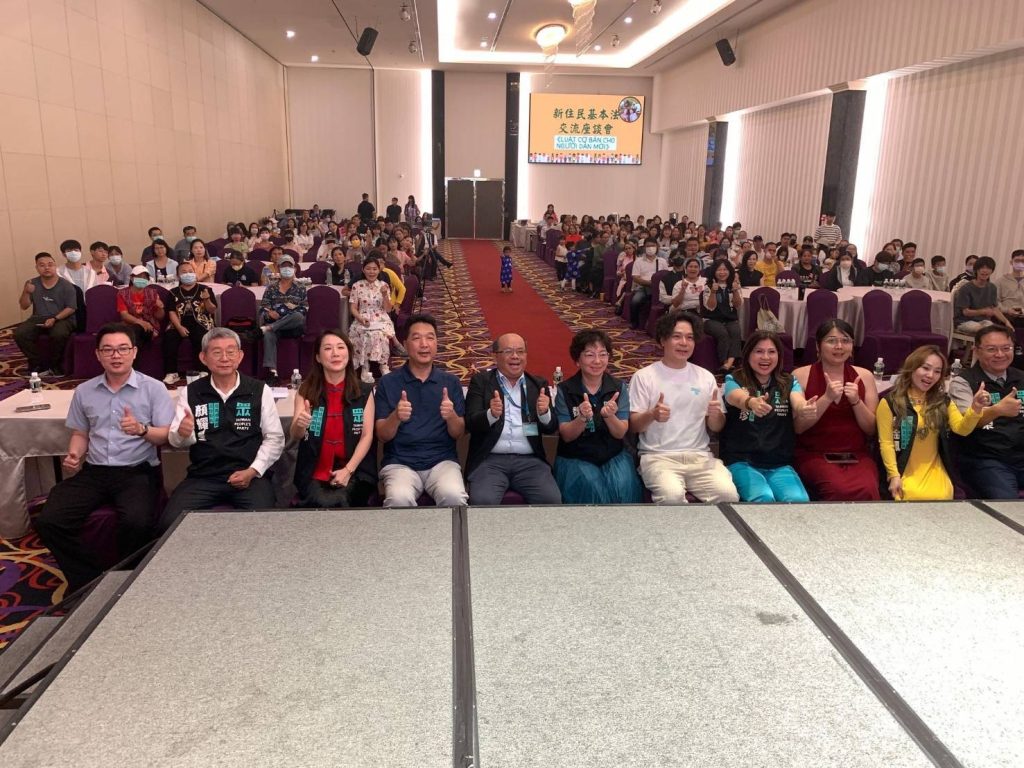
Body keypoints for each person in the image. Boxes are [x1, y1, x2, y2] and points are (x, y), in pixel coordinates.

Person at [34, 323, 173, 592]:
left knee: (137, 522)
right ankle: (91, 581)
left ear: (134, 352)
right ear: (98, 355)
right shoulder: (84, 391)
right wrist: (75, 453)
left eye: (122, 349)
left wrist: (141, 430)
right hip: (94, 471)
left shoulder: (154, 389)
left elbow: (166, 436)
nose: (115, 355)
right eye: (108, 350)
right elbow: (81, 433)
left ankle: (126, 581)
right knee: (49, 520)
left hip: (136, 471)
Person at [159, 327, 285, 532]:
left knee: (264, 524)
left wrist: (253, 471)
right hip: (204, 476)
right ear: (203, 358)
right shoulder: (191, 391)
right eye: (216, 352)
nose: (224, 358)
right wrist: (182, 432)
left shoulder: (259, 390)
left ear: (240, 356)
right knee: (170, 523)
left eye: (230, 351)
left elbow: (274, 438)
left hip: (249, 474)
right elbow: (176, 441)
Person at [628, 311, 739, 504]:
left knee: (728, 495)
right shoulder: (644, 377)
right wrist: (652, 415)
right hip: (658, 457)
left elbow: (717, 426)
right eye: (677, 337)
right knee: (671, 497)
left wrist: (715, 415)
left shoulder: (705, 377)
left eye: (690, 338)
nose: (684, 343)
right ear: (663, 340)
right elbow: (634, 426)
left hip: (699, 456)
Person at [374, 314, 468, 507]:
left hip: (442, 461)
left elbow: (458, 433)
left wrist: (451, 416)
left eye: (430, 338)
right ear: (405, 344)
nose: (424, 344)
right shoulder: (388, 383)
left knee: (454, 496)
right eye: (416, 338)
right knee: (398, 499)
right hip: (400, 462)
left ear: (436, 343)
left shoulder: (451, 382)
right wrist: (396, 416)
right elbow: (382, 435)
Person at [877, 345, 986, 501]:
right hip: (903, 470)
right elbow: (886, 443)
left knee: (941, 495)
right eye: (925, 368)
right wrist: (893, 475)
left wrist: (975, 408)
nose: (930, 375)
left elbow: (962, 429)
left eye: (937, 371)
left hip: (935, 470)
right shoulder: (890, 402)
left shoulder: (942, 402)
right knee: (910, 495)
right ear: (912, 367)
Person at [464, 333, 561, 505]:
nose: (515, 356)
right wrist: (491, 414)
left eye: (520, 351)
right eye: (508, 351)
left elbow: (551, 427)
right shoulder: (481, 382)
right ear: (495, 356)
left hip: (530, 461)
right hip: (490, 460)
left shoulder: (538, 384)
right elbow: (470, 422)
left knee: (551, 499)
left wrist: (544, 413)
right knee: (483, 501)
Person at [792, 319, 880, 500]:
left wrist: (856, 401)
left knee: (869, 488)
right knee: (837, 489)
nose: (839, 346)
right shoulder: (801, 375)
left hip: (857, 454)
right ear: (818, 346)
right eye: (831, 340)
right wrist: (827, 398)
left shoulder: (865, 376)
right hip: (814, 453)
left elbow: (871, 429)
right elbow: (798, 427)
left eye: (845, 340)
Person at [720, 332, 812, 502]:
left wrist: (803, 408)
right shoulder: (734, 378)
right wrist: (751, 402)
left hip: (779, 463)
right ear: (748, 354)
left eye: (771, 352)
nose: (765, 357)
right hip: (742, 461)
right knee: (763, 498)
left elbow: (798, 399)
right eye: (759, 351)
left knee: (798, 500)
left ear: (779, 355)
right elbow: (735, 397)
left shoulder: (789, 381)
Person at [553, 330, 641, 504]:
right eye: (589, 355)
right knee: (592, 489)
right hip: (576, 456)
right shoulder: (565, 390)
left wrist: (609, 417)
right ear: (577, 360)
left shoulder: (618, 388)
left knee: (622, 487)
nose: (597, 361)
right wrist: (581, 418)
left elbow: (620, 432)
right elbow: (567, 435)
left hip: (612, 454)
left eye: (603, 354)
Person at [291, 329, 376, 508]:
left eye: (340, 347)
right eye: (328, 348)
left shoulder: (364, 391)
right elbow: (296, 434)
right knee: (322, 502)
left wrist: (348, 470)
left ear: (349, 354)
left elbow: (367, 435)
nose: (335, 353)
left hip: (355, 470)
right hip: (314, 470)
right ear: (318, 357)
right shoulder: (306, 390)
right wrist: (300, 424)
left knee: (340, 500)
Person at [949, 325, 1024, 498]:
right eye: (991, 349)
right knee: (1007, 504)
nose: (1000, 354)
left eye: (1006, 348)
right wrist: (997, 410)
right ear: (976, 351)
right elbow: (965, 424)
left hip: (1020, 455)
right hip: (986, 460)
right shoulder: (963, 382)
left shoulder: (1021, 377)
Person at [15, 252, 78, 377]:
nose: (47, 268)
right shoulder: (32, 283)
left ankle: (56, 365)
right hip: (38, 318)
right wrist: (26, 292)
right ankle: (38, 363)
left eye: (50, 264)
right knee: (20, 333)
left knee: (59, 333)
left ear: (55, 266)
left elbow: (71, 308)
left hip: (62, 318)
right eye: (42, 265)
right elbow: (24, 306)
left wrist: (55, 318)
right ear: (37, 268)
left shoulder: (66, 285)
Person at [162, 261, 217, 385]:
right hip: (179, 321)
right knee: (170, 337)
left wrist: (207, 299)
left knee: (201, 337)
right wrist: (179, 327)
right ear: (178, 275)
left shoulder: (205, 289)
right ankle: (172, 373)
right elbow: (171, 312)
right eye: (184, 272)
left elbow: (212, 310)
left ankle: (203, 371)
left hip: (201, 321)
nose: (188, 274)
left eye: (190, 271)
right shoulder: (173, 292)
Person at [258, 254, 307, 384]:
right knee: (268, 334)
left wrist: (277, 322)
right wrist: (269, 314)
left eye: (289, 266)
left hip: (292, 326)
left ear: (294, 269)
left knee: (298, 316)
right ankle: (273, 372)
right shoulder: (271, 288)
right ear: (278, 269)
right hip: (275, 325)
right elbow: (263, 309)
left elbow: (304, 309)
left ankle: (269, 327)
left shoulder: (301, 288)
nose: (287, 269)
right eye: (283, 266)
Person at [348, 255, 395, 383]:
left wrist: (384, 295)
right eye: (368, 269)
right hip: (362, 316)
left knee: (380, 334)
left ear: (379, 270)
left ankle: (383, 366)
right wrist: (360, 318)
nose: (371, 272)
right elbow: (353, 308)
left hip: (380, 317)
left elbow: (388, 309)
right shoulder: (357, 285)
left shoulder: (384, 285)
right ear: (363, 270)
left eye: (374, 269)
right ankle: (365, 366)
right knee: (362, 333)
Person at [699, 259, 744, 372]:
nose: (722, 272)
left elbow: (738, 305)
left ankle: (728, 364)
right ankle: (725, 362)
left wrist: (735, 291)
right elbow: (710, 307)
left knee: (735, 331)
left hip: (729, 319)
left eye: (725, 269)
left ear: (730, 271)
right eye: (719, 270)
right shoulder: (708, 286)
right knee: (722, 333)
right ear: (714, 271)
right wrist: (713, 292)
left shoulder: (734, 285)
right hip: (711, 319)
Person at [953, 256, 1012, 334]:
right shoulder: (966, 288)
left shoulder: (992, 287)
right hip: (964, 321)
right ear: (976, 270)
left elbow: (994, 308)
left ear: (992, 271)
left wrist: (1006, 322)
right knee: (985, 331)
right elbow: (965, 312)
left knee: (997, 331)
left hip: (984, 321)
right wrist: (983, 311)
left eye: (988, 268)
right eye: (982, 268)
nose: (985, 270)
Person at [117, 265, 165, 353]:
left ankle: (130, 356)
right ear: (132, 278)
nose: (142, 279)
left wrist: (160, 307)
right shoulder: (122, 293)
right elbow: (124, 315)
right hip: (130, 325)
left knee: (135, 333)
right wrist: (141, 323)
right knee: (136, 331)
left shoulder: (152, 293)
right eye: (139, 277)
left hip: (150, 327)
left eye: (145, 277)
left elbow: (160, 317)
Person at [628, 238, 667, 329]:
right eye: (648, 246)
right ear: (644, 247)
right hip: (643, 287)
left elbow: (666, 275)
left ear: (657, 247)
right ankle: (634, 322)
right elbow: (635, 277)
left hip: (660, 288)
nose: (650, 248)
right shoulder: (639, 261)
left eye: (653, 246)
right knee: (635, 300)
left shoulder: (662, 261)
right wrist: (649, 283)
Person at [995, 249, 1024, 330]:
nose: (1020, 263)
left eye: (1023, 261)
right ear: (1011, 262)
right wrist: (1007, 310)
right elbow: (995, 302)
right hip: (1007, 317)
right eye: (1017, 261)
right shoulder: (1001, 281)